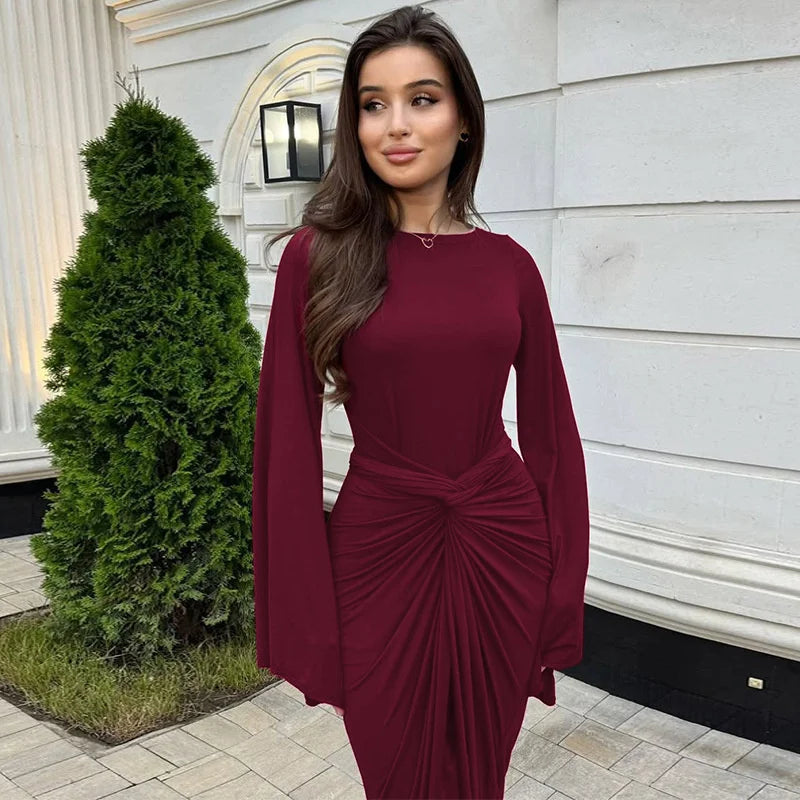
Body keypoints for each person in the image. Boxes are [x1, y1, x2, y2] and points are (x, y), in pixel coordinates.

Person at [251, 4, 590, 798]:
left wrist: (556, 586)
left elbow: (550, 438)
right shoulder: (317, 256)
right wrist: (302, 609)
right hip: (376, 552)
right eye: (372, 104)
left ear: (464, 121)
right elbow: (286, 441)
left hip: (503, 545)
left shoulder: (511, 267)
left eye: (422, 99)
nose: (394, 126)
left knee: (481, 780)